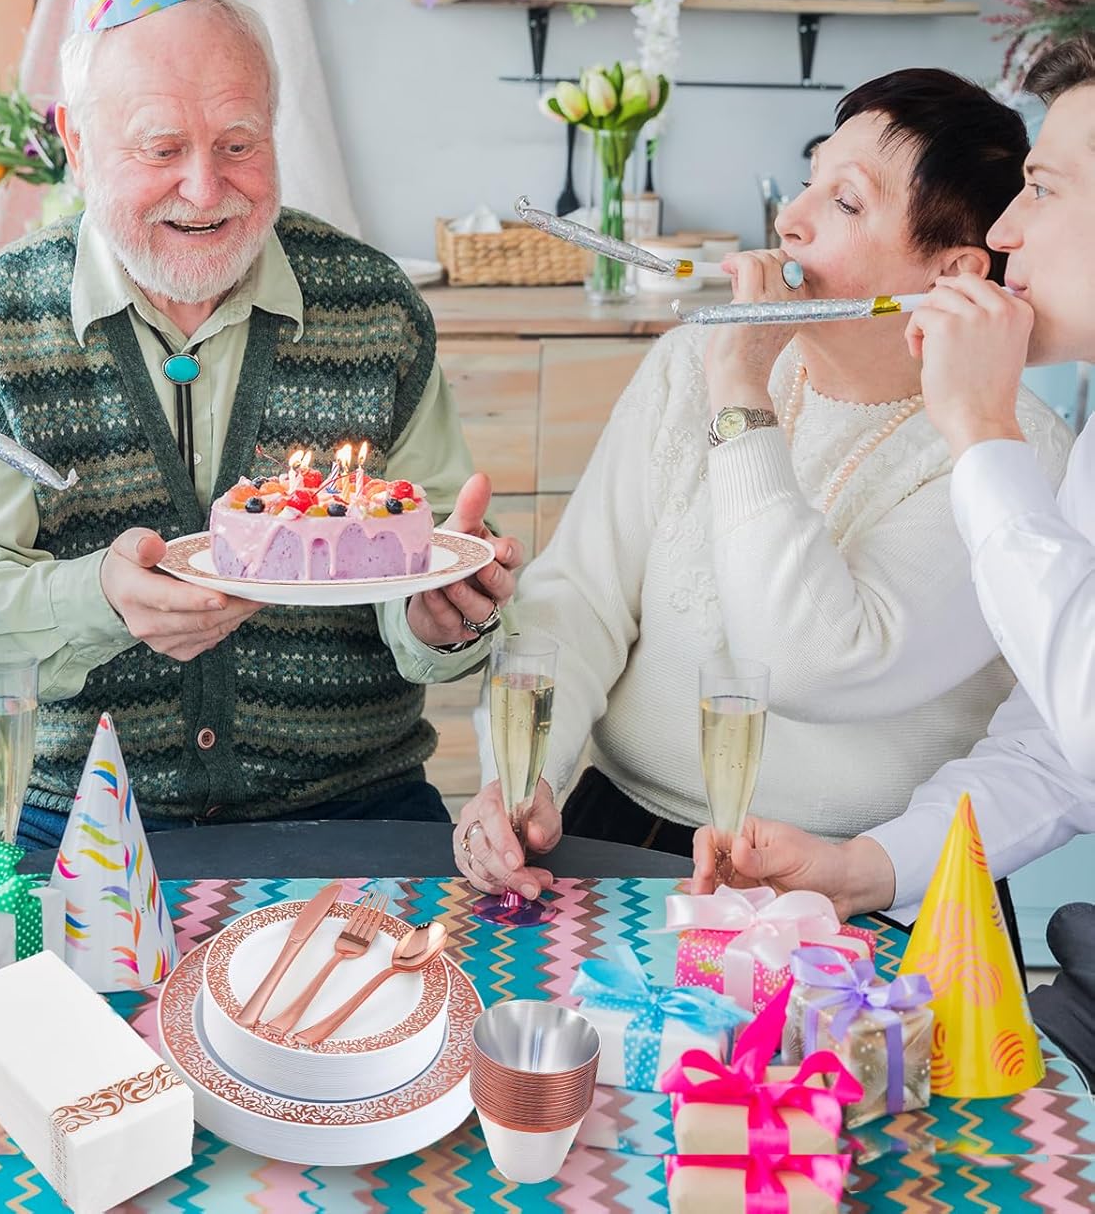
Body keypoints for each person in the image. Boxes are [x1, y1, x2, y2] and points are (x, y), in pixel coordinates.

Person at [0, 0, 520, 874]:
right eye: (162, 149)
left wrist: (438, 621)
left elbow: (424, 560)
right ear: (77, 147)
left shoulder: (375, 307)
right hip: (55, 808)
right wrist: (104, 600)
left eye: (239, 146)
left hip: (349, 804)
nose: (205, 190)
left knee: (432, 1000)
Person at [454, 68, 1072, 902]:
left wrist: (741, 399)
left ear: (951, 271)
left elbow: (809, 664)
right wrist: (524, 778)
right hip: (617, 827)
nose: (791, 218)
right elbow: (579, 598)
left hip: (859, 881)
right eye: (812, 177)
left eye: (846, 203)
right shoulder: (689, 362)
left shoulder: (1013, 451)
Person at [689, 38, 1095, 1075]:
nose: (1006, 231)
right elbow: (1057, 751)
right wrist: (860, 869)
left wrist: (979, 434)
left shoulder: (1013, 447)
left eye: (1042, 190)